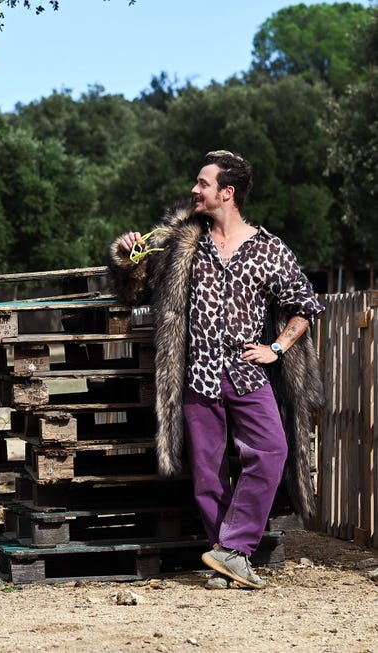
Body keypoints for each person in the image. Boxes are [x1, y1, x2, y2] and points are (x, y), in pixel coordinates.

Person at [106, 150, 324, 590]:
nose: (194, 190)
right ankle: (229, 557)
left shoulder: (269, 249)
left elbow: (306, 306)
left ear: (227, 192)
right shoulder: (183, 243)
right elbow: (133, 284)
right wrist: (128, 254)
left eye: (203, 184)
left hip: (246, 372)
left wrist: (277, 347)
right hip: (197, 376)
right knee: (207, 474)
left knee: (271, 451)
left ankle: (232, 549)